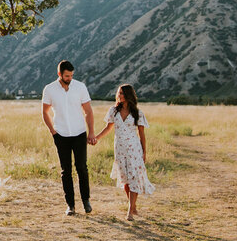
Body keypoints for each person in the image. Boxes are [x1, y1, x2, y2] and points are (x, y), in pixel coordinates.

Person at [91, 84, 154, 220]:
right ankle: (133, 206)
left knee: (134, 177)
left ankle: (130, 211)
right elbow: (108, 128)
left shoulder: (138, 113)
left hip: (134, 149)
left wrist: (144, 152)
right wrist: (96, 138)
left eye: (122, 94)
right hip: (119, 149)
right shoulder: (113, 111)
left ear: (128, 95)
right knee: (125, 179)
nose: (119, 96)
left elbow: (142, 135)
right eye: (118, 93)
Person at [41, 60, 96, 216]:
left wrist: (91, 132)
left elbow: (88, 111)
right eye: (66, 75)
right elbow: (45, 112)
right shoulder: (50, 89)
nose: (69, 78)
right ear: (59, 74)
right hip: (61, 134)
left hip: (79, 133)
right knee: (66, 171)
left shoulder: (80, 87)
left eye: (71, 75)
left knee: (82, 168)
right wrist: (53, 132)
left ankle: (86, 201)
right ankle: (70, 205)